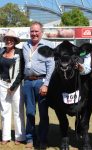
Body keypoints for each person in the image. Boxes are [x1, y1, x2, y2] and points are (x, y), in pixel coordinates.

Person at [22, 21, 55, 149]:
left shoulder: (48, 45)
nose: (34, 34)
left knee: (43, 112)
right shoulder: (25, 45)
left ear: (41, 32)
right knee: (30, 111)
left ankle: (42, 139)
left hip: (41, 82)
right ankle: (30, 138)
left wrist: (46, 84)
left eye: (36, 31)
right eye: (32, 31)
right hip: (28, 82)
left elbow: (51, 66)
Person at [0, 30, 25, 145]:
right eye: (7, 39)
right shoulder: (1, 52)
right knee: (4, 110)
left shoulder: (20, 53)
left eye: (11, 39)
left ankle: (19, 137)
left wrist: (14, 85)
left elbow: (22, 72)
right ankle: (5, 136)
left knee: (18, 111)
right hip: (2, 84)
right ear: (4, 40)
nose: (9, 41)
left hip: (16, 85)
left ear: (15, 41)